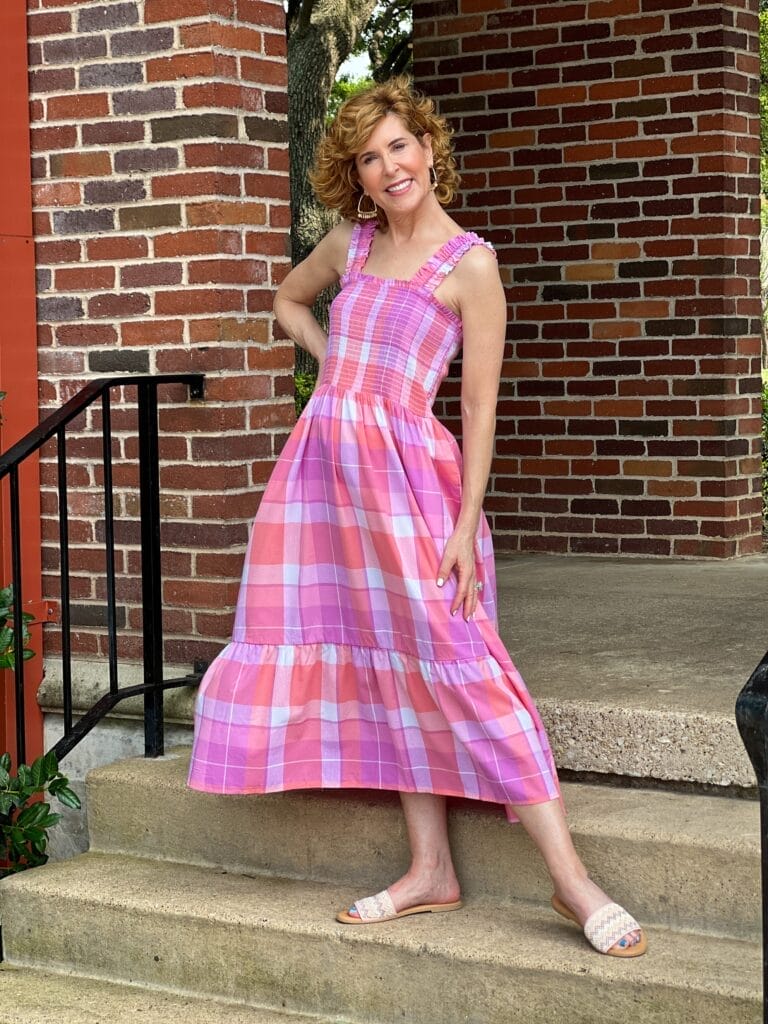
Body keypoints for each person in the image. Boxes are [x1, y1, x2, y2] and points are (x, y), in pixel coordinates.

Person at [187, 76, 646, 958]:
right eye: (369, 155)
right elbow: (287, 299)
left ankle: (570, 880)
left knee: (460, 660)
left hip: (411, 482)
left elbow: (478, 410)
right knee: (389, 663)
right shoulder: (352, 246)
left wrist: (466, 524)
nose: (389, 166)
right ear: (356, 176)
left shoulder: (470, 263)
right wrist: (338, 371)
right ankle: (429, 869)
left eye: (400, 146)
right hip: (323, 481)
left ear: (429, 150)